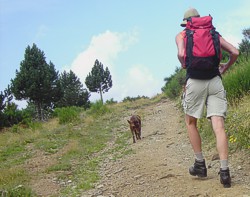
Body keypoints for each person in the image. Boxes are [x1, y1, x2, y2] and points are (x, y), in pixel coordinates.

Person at [175, 8, 239, 188]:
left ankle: (200, 164)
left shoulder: (181, 35)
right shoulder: (213, 33)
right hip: (215, 81)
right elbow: (235, 51)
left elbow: (181, 54)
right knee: (218, 126)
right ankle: (225, 172)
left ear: (186, 22)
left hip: (195, 81)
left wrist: (184, 64)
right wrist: (225, 67)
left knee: (191, 122)